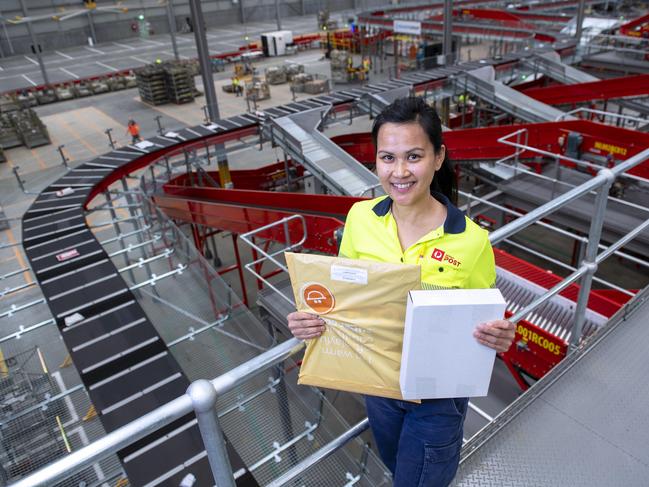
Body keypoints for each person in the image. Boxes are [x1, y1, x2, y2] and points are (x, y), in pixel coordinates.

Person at [287, 97, 515, 487]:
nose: (400, 172)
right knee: (399, 471)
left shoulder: (472, 241)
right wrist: (310, 320)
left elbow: (483, 319)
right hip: (378, 385)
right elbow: (343, 298)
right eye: (387, 158)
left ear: (438, 158)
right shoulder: (361, 218)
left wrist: (500, 335)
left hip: (439, 395)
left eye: (413, 156)